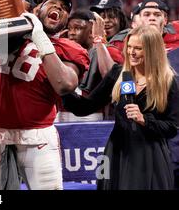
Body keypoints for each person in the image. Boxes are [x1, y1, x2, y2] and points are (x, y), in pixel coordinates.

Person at [0, 0, 89, 190]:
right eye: (53, 3)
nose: (58, 8)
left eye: (64, 9)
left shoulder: (69, 48)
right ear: (38, 9)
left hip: (37, 136)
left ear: (65, 22)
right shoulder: (9, 35)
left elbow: (64, 84)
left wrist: (39, 36)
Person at [63, 25, 179, 189]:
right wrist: (63, 88)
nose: (131, 52)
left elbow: (171, 128)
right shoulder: (118, 75)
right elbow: (85, 107)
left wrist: (144, 119)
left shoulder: (168, 82)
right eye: (129, 47)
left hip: (149, 157)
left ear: (153, 52)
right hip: (116, 152)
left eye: (138, 48)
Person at [56, 9, 123, 122]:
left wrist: (99, 40)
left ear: (92, 30)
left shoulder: (109, 51)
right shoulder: (62, 50)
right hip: (61, 113)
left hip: (93, 115)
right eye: (70, 28)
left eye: (78, 28)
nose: (71, 32)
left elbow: (110, 76)